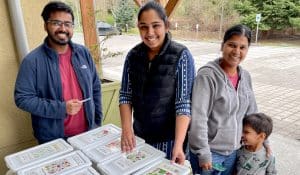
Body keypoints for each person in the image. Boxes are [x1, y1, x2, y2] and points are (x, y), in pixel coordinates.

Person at [14, 1, 102, 144]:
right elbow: (22, 98)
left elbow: (95, 88)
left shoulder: (83, 53)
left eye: (68, 24)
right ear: (45, 26)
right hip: (53, 140)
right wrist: (61, 108)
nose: (63, 28)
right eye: (56, 23)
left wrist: (97, 122)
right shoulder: (32, 61)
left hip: (87, 134)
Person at [119, 1, 195, 164]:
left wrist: (179, 144)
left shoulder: (181, 55)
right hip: (139, 135)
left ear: (166, 26)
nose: (150, 32)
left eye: (156, 25)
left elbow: (183, 104)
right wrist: (126, 129)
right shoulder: (132, 56)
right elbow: (125, 96)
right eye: (143, 27)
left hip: (169, 140)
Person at [189, 24, 268, 175]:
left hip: (233, 151)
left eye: (243, 47)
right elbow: (199, 118)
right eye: (232, 45)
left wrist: (263, 141)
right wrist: (204, 153)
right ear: (222, 46)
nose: (237, 52)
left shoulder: (245, 77)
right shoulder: (207, 76)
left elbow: (253, 115)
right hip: (210, 152)